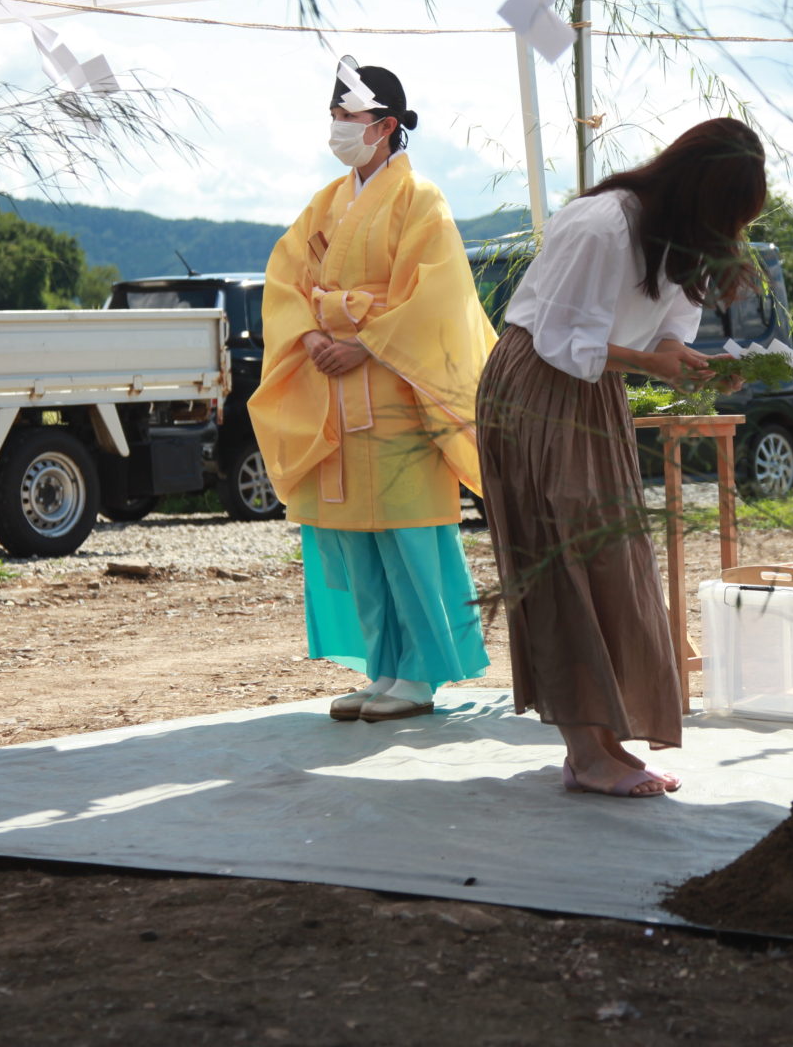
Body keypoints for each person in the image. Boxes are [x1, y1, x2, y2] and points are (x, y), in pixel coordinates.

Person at [476, 118, 766, 797]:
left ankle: (601, 741)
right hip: (536, 389)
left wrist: (687, 363)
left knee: (612, 558)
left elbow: (667, 331)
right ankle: (585, 749)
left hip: (593, 389)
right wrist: (649, 363)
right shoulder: (601, 224)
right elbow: (556, 336)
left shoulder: (680, 241)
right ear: (696, 191)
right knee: (563, 557)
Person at [249, 61, 495, 722]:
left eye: (348, 119)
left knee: (408, 533)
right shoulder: (326, 203)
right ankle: (382, 668)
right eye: (333, 117)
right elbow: (285, 279)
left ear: (386, 126)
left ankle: (421, 674)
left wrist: (364, 341)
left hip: (394, 391)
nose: (337, 129)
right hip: (334, 386)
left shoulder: (422, 201)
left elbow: (439, 294)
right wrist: (308, 339)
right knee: (352, 535)